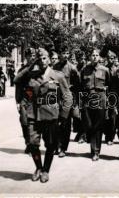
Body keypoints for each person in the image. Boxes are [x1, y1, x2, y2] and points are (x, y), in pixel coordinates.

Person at [14, 47, 73, 183]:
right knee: (33, 144)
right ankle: (38, 168)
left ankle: (46, 170)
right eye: (39, 58)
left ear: (49, 60)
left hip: (51, 114)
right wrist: (30, 66)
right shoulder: (31, 74)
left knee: (51, 145)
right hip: (33, 114)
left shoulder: (57, 75)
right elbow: (17, 80)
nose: (42, 61)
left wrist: (63, 116)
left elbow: (68, 97)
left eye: (45, 58)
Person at [80, 48, 110, 161]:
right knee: (88, 124)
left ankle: (96, 151)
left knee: (98, 125)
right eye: (92, 55)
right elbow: (81, 85)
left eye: (96, 55)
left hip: (100, 98)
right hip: (88, 98)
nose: (94, 57)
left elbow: (109, 85)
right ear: (90, 57)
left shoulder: (105, 70)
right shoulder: (84, 70)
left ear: (100, 57)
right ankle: (93, 147)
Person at [53, 47, 80, 158]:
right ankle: (57, 146)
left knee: (66, 124)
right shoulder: (55, 66)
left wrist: (73, 98)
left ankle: (63, 148)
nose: (65, 55)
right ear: (60, 54)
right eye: (63, 52)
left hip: (67, 98)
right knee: (56, 123)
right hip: (57, 97)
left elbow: (78, 84)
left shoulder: (72, 68)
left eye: (67, 53)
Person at [14, 47, 37, 154]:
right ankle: (28, 143)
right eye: (29, 56)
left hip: (36, 98)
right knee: (24, 122)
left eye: (33, 56)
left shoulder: (39, 69)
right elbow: (18, 86)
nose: (32, 58)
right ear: (26, 57)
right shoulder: (22, 70)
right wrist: (18, 102)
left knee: (36, 122)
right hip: (25, 99)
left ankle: (34, 143)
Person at [104, 50, 118, 145]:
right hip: (104, 94)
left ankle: (110, 137)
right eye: (109, 58)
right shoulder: (103, 69)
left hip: (113, 95)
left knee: (112, 117)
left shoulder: (117, 70)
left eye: (112, 58)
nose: (110, 60)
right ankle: (106, 135)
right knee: (105, 116)